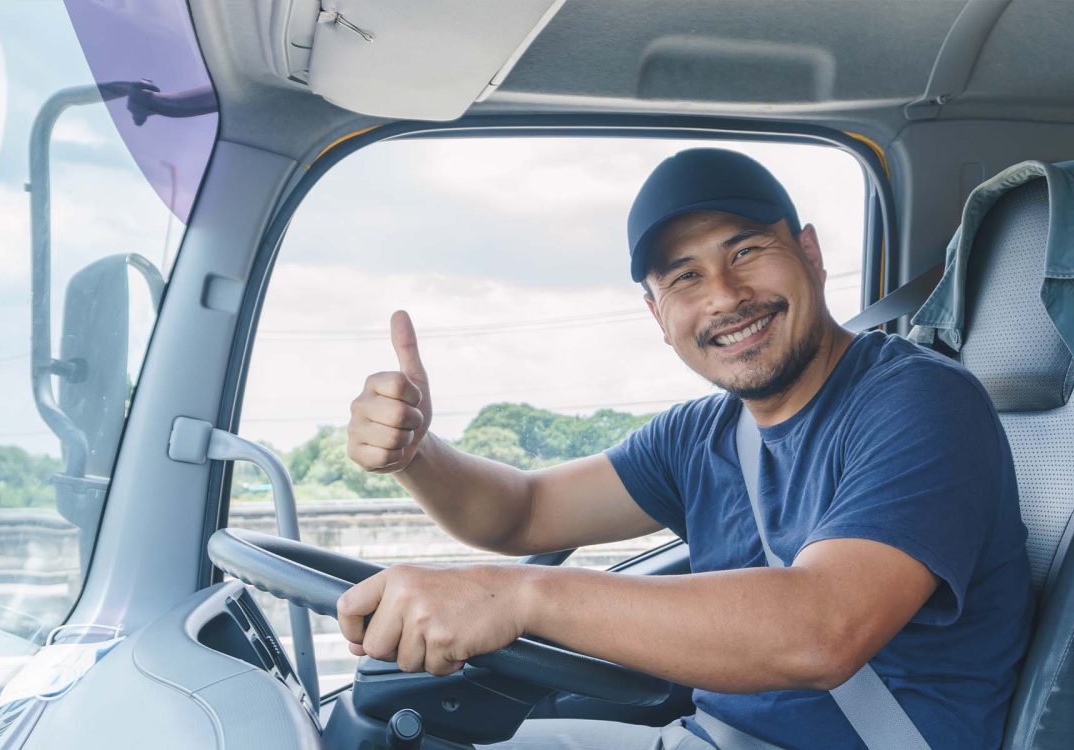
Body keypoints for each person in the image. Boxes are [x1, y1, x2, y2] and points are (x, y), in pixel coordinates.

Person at [338, 148, 1033, 749]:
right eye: (685, 277)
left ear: (811, 255)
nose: (726, 296)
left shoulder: (921, 401)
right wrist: (416, 453)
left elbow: (823, 627)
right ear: (656, 314)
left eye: (747, 251)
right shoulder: (700, 435)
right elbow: (520, 513)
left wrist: (519, 596)